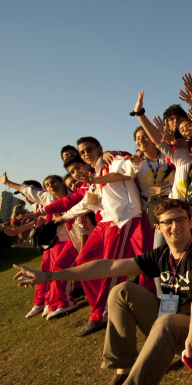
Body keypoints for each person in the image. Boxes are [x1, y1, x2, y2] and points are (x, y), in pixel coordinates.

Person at [12, 198, 192, 385]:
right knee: (121, 292)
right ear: (158, 227)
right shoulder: (161, 254)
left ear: (190, 222)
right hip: (167, 324)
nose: (176, 226)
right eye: (168, 221)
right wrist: (49, 276)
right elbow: (108, 267)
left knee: (167, 322)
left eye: (181, 219)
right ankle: (123, 371)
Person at [39, 138, 144, 336]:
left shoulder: (112, 160)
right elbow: (88, 204)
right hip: (103, 223)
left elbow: (130, 169)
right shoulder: (93, 173)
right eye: (83, 152)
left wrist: (135, 158)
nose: (86, 154)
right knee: (82, 262)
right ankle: (105, 305)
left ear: (100, 148)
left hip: (121, 220)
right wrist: (62, 217)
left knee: (111, 269)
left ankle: (101, 313)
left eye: (89, 149)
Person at [1, 173, 85, 319]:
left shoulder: (75, 196)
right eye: (47, 185)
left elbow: (29, 193)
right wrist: (8, 183)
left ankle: (62, 302)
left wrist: (8, 182)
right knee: (50, 268)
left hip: (76, 237)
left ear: (62, 182)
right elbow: (29, 195)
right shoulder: (47, 199)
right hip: (56, 239)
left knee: (60, 267)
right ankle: (49, 302)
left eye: (53, 183)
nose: (50, 187)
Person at [135, 92, 192, 224]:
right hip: (169, 216)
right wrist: (140, 114)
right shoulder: (183, 159)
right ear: (190, 147)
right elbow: (158, 140)